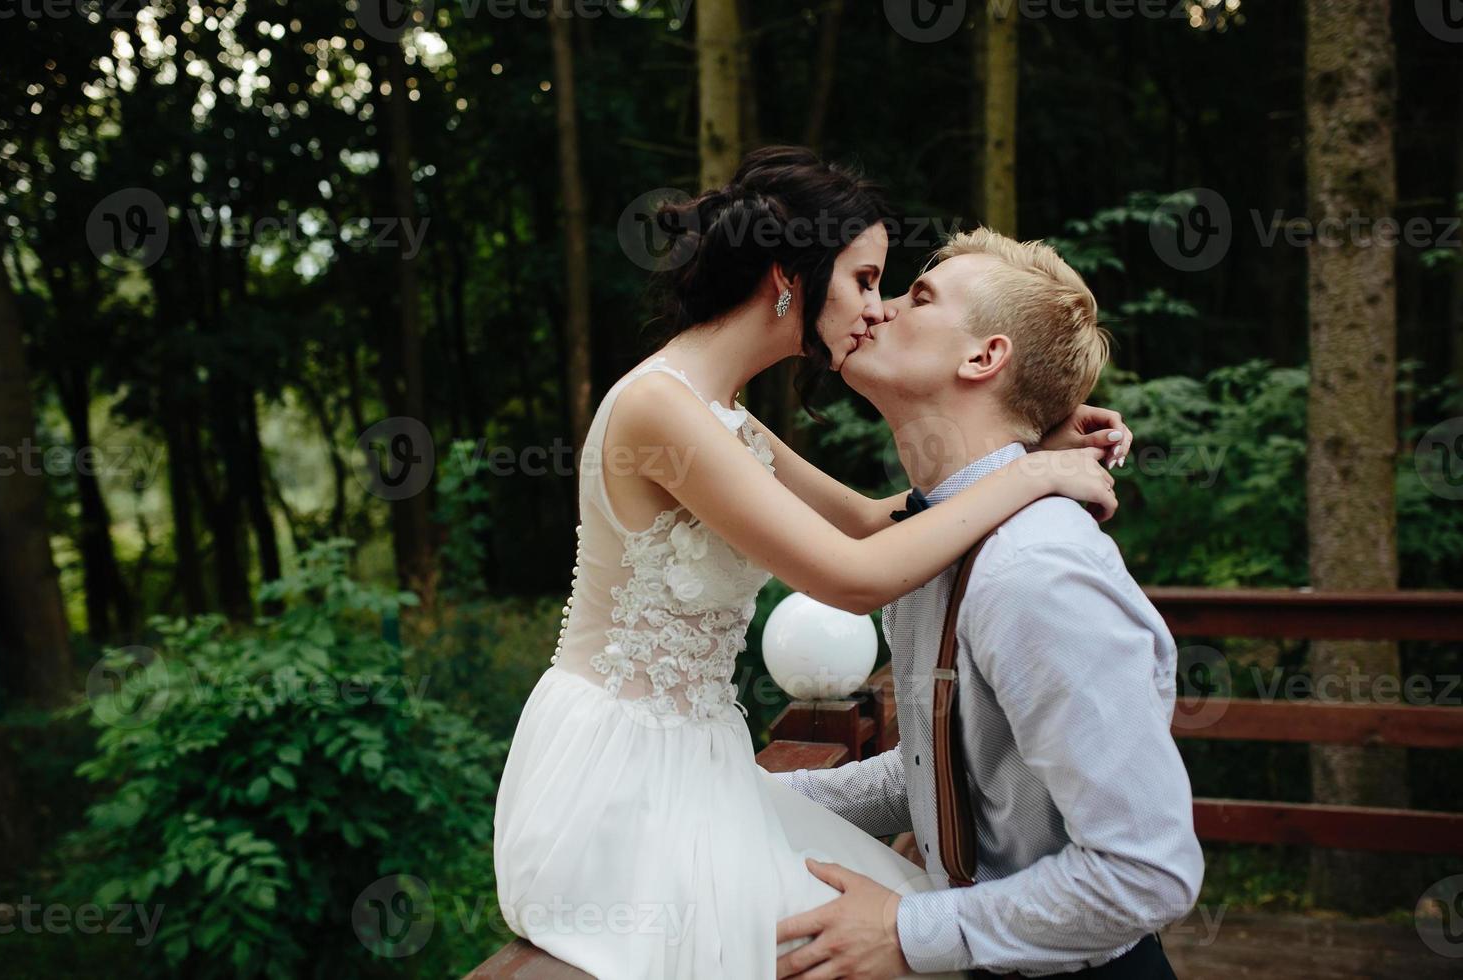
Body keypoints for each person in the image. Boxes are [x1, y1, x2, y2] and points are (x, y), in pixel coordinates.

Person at [493, 147, 1128, 979]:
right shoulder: (658, 408)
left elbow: (873, 521)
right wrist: (1035, 475)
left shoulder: (730, 424)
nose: (877, 308)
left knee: (890, 922)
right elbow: (849, 575)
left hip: (698, 766)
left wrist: (1034, 435)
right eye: (864, 280)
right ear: (791, 273)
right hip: (616, 775)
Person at [773, 229, 1203, 979]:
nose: (878, 308)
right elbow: (940, 767)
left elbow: (1147, 872)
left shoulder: (1037, 570)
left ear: (983, 357)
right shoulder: (932, 541)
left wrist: (910, 931)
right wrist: (745, 796)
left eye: (919, 296)